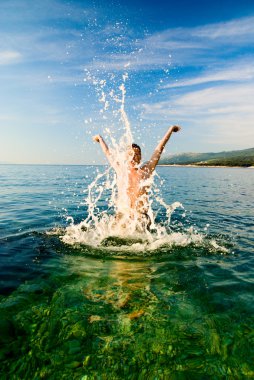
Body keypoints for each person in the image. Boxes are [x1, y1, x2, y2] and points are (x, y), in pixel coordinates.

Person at [93, 125, 181, 230]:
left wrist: (170, 130)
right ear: (126, 155)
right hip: (122, 216)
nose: (134, 155)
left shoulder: (146, 170)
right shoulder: (120, 170)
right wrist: (100, 139)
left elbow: (158, 150)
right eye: (131, 153)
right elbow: (107, 152)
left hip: (140, 217)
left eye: (137, 154)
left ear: (141, 157)